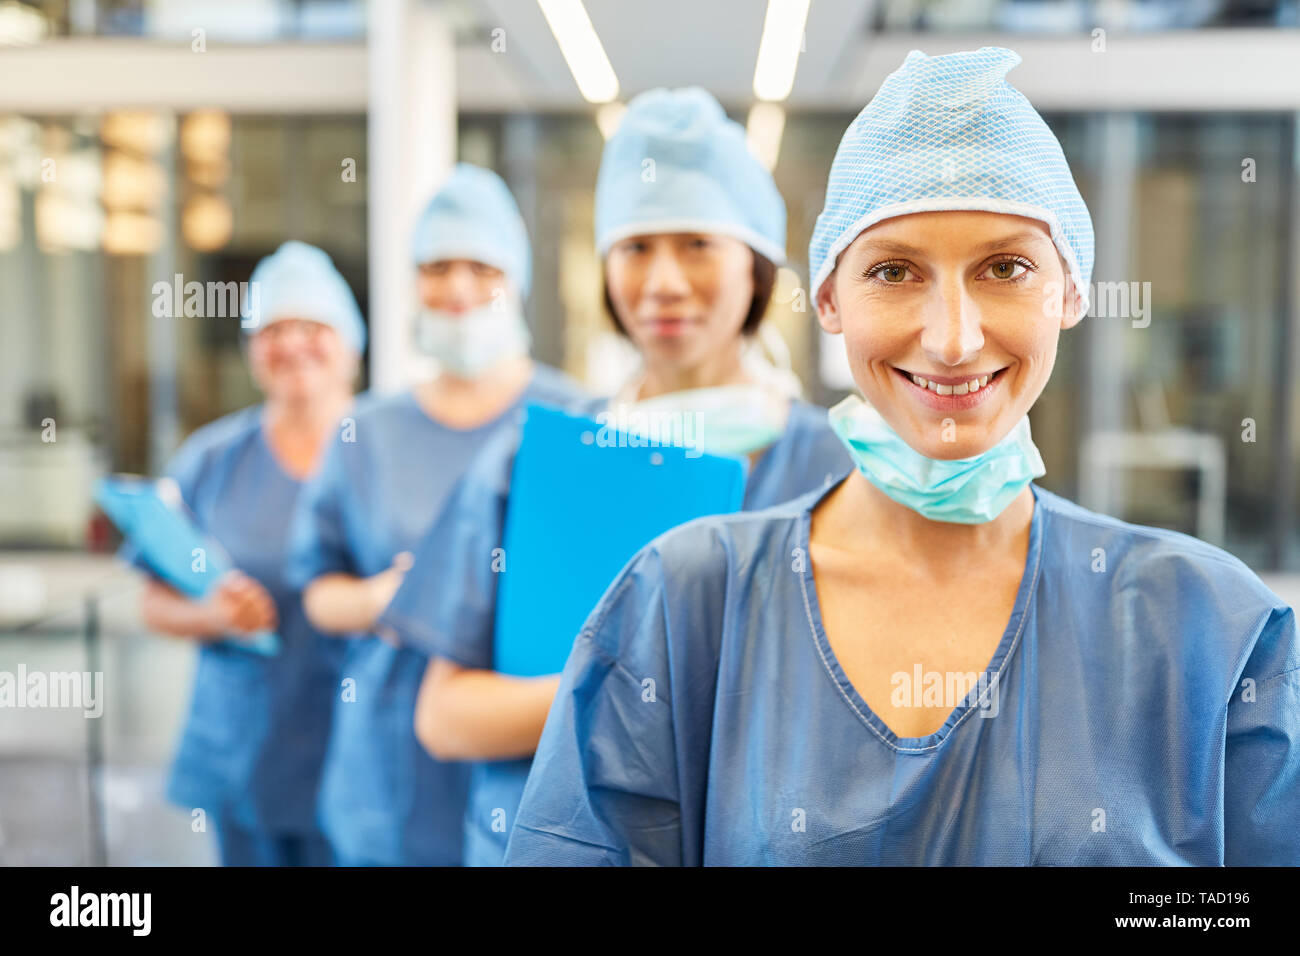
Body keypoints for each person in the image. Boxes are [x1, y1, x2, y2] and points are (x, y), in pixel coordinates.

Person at [503, 48, 1300, 866]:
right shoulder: (681, 606)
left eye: (1006, 267)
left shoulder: (1214, 633)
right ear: (826, 299)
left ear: (1071, 289)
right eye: (892, 270)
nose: (952, 338)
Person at [380, 87, 853, 866]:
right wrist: (650, 696)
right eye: (635, 247)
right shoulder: (535, 461)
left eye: (697, 242)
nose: (663, 280)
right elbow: (447, 717)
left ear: (759, 264)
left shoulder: (833, 466)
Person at [285, 164, 585, 866]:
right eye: (437, 265)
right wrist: (382, 599)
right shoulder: (368, 430)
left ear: (515, 277)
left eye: (481, 266)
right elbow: (317, 589)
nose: (456, 287)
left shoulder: (574, 421)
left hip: (524, 743)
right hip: (386, 758)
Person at [130, 241, 361, 866]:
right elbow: (152, 598)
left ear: (351, 343)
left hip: (360, 755)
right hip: (246, 754)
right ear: (251, 348)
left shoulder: (385, 452)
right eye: (273, 328)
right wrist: (214, 617)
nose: (292, 344)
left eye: (313, 326)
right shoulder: (210, 461)